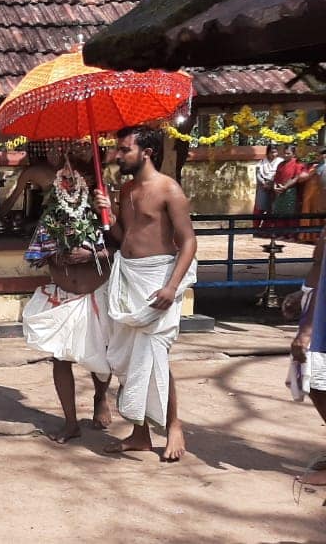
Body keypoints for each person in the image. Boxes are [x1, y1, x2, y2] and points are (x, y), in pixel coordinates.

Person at [94, 125, 198, 462]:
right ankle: (139, 434)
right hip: (129, 278)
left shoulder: (169, 189)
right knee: (133, 360)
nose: (117, 155)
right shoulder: (125, 189)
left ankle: (174, 425)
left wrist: (171, 286)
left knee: (155, 356)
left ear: (147, 152)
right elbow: (124, 236)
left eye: (124, 149)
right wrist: (105, 212)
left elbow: (189, 241)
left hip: (158, 280)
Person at [20, 155, 113, 443]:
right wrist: (58, 255)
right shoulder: (52, 214)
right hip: (62, 297)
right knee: (60, 358)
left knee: (101, 358)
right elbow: (39, 253)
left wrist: (91, 254)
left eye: (75, 176)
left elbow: (122, 250)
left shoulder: (104, 211)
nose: (69, 180)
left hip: (95, 296)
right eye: (65, 176)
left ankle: (100, 397)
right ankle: (70, 421)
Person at [289, 223, 326, 484]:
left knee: (315, 379)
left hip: (320, 312)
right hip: (315, 302)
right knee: (311, 380)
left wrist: (308, 329)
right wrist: (302, 294)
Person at [253, 146, 284, 236]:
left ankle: (267, 230)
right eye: (271, 152)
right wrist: (264, 183)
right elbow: (258, 175)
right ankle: (255, 230)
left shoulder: (280, 162)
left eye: (275, 152)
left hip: (275, 188)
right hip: (262, 188)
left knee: (272, 210)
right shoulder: (261, 163)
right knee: (259, 209)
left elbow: (279, 174)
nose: (273, 154)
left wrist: (271, 184)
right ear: (267, 153)